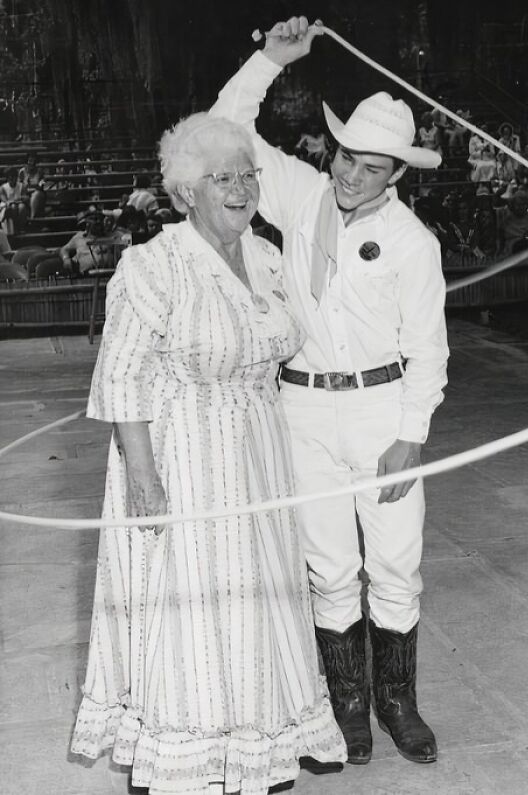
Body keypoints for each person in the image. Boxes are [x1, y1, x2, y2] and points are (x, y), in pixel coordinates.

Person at [69, 112, 346, 794]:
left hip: (258, 456)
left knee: (257, 609)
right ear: (185, 190)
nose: (241, 187)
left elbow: (294, 339)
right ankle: (183, 761)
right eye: (221, 175)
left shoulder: (267, 256)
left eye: (248, 173)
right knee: (196, 613)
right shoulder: (152, 264)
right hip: (183, 459)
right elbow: (122, 378)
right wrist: (143, 478)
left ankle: (255, 753)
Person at [210, 15, 448, 767]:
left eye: (371, 167)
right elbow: (223, 134)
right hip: (304, 407)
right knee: (328, 564)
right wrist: (268, 60)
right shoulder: (300, 194)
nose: (350, 175)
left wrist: (410, 432)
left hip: (384, 413)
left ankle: (397, 702)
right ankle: (346, 708)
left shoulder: (415, 243)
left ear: (396, 174)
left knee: (395, 562)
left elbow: (429, 351)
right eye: (346, 157)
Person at [0, 167, 28, 234]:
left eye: (13, 176)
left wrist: (20, 198)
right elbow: (4, 200)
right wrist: (11, 201)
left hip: (20, 204)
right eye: (10, 177)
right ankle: (14, 227)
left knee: (22, 207)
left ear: (16, 177)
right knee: (13, 207)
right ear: (7, 178)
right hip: (9, 206)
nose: (12, 179)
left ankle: (21, 227)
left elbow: (25, 197)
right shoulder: (3, 187)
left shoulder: (22, 186)